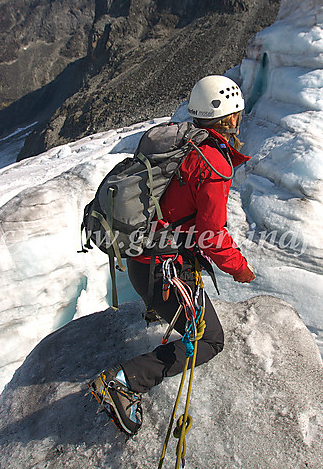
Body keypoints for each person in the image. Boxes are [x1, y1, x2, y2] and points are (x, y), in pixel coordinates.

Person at [89, 75, 256, 435]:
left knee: (188, 314)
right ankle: (123, 381)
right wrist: (240, 269)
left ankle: (154, 309)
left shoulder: (179, 143)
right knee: (209, 340)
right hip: (163, 274)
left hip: (143, 263)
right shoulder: (212, 162)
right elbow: (212, 237)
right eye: (237, 114)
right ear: (229, 119)